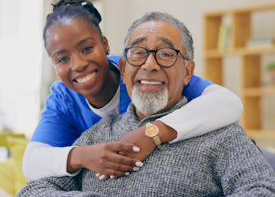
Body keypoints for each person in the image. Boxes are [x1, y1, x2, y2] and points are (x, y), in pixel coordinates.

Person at [18, 11, 275, 197]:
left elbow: (261, 188)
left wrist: (152, 133)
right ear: (123, 65)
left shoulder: (222, 134)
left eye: (165, 54)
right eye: (138, 53)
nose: (150, 65)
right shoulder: (96, 135)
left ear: (187, 72)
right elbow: (32, 189)